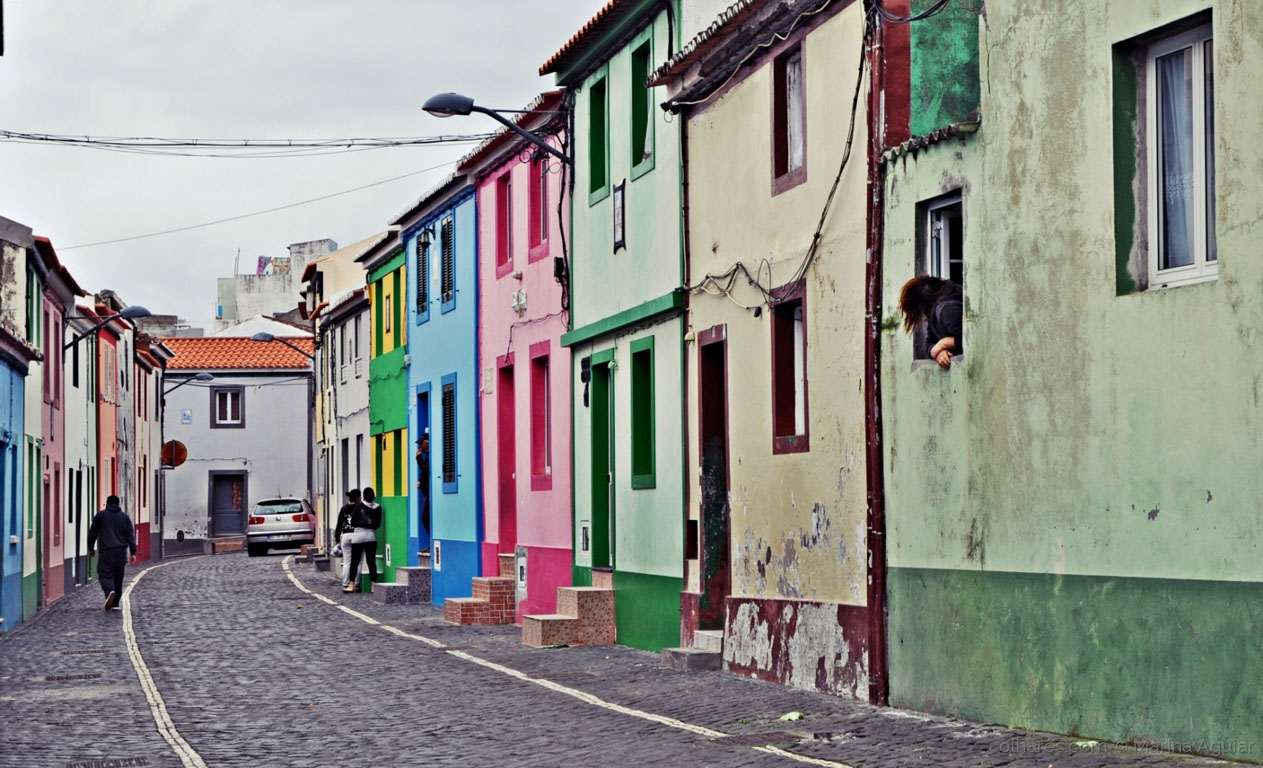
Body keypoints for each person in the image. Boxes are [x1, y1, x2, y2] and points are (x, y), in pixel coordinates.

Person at [898, 275, 964, 369]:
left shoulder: (947, 310)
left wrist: (945, 343)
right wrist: (939, 352)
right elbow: (929, 344)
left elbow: (972, 341)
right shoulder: (933, 310)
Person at [87, 495, 137, 611]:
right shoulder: (125, 518)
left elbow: (92, 533)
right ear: (118, 504)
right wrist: (133, 552)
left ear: (107, 503)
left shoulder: (100, 516)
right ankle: (115, 604)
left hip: (106, 552)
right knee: (118, 577)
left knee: (104, 574)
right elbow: (130, 536)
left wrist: (91, 548)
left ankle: (110, 591)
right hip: (121, 552)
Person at [343, 486, 381, 594]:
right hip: (371, 536)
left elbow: (353, 521)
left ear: (363, 496)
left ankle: (351, 585)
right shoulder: (378, 507)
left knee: (354, 561)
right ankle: (373, 585)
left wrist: (362, 524)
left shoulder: (359, 505)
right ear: (373, 496)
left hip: (358, 536)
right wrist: (369, 525)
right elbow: (377, 524)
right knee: (371, 562)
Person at [334, 489, 361, 590]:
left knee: (347, 561)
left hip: (345, 536)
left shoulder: (344, 508)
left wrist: (337, 538)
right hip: (357, 535)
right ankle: (356, 583)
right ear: (358, 497)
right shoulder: (359, 507)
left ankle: (345, 583)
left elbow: (339, 524)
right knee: (357, 561)